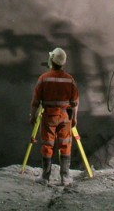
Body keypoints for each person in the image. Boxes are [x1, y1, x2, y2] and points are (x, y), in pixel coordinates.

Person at [29, 47, 79, 186]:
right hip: (65, 116)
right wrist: (74, 118)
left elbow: (35, 102)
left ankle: (45, 177)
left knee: (47, 145)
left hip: (49, 117)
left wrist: (32, 116)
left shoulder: (44, 79)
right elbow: (75, 102)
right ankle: (65, 178)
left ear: (51, 60)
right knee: (65, 145)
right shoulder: (70, 80)